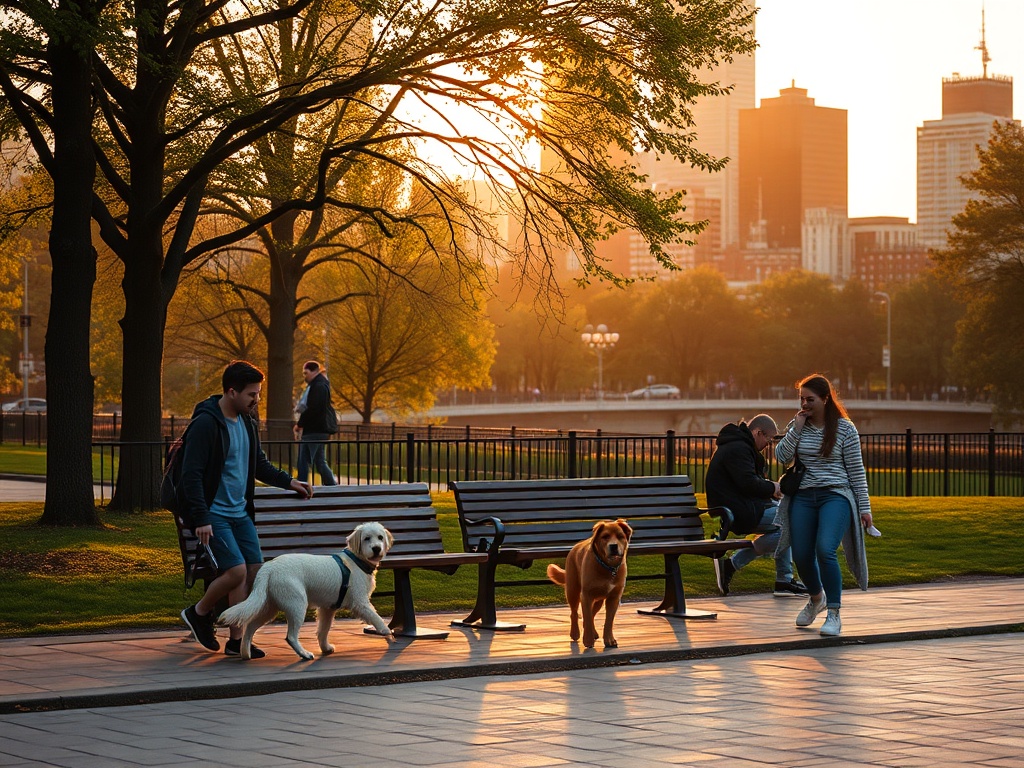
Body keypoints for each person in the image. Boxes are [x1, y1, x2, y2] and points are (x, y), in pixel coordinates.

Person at [179, 360, 312, 658]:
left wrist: (289, 481)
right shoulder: (206, 424)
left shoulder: (248, 422)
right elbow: (191, 474)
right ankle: (199, 612)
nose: (257, 400)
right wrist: (201, 518)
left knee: (254, 571)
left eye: (259, 393)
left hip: (239, 514)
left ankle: (236, 640)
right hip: (213, 514)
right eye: (252, 394)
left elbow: (259, 465)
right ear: (231, 392)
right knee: (236, 571)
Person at [773, 374, 873, 637]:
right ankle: (817, 598)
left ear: (826, 399)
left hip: (835, 495)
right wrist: (796, 427)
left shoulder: (845, 428)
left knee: (824, 549)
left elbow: (856, 471)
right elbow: (781, 456)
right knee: (802, 554)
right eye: (801, 399)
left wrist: (865, 507)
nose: (805, 404)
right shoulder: (799, 424)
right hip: (804, 496)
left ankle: (835, 614)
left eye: (811, 399)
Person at [705, 414, 807, 598]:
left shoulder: (739, 447)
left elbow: (748, 482)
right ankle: (779, 578)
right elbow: (748, 483)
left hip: (743, 506)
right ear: (758, 432)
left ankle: (783, 580)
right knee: (791, 521)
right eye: (768, 438)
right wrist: (773, 487)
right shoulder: (738, 449)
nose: (769, 443)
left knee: (787, 523)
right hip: (736, 510)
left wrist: (772, 493)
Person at [293, 360, 337, 486]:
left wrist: (300, 424)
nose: (304, 376)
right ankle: (332, 486)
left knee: (303, 461)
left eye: (306, 373)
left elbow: (313, 408)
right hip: (319, 429)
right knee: (319, 461)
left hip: (314, 429)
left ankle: (302, 486)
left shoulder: (317, 386)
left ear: (314, 371)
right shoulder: (321, 384)